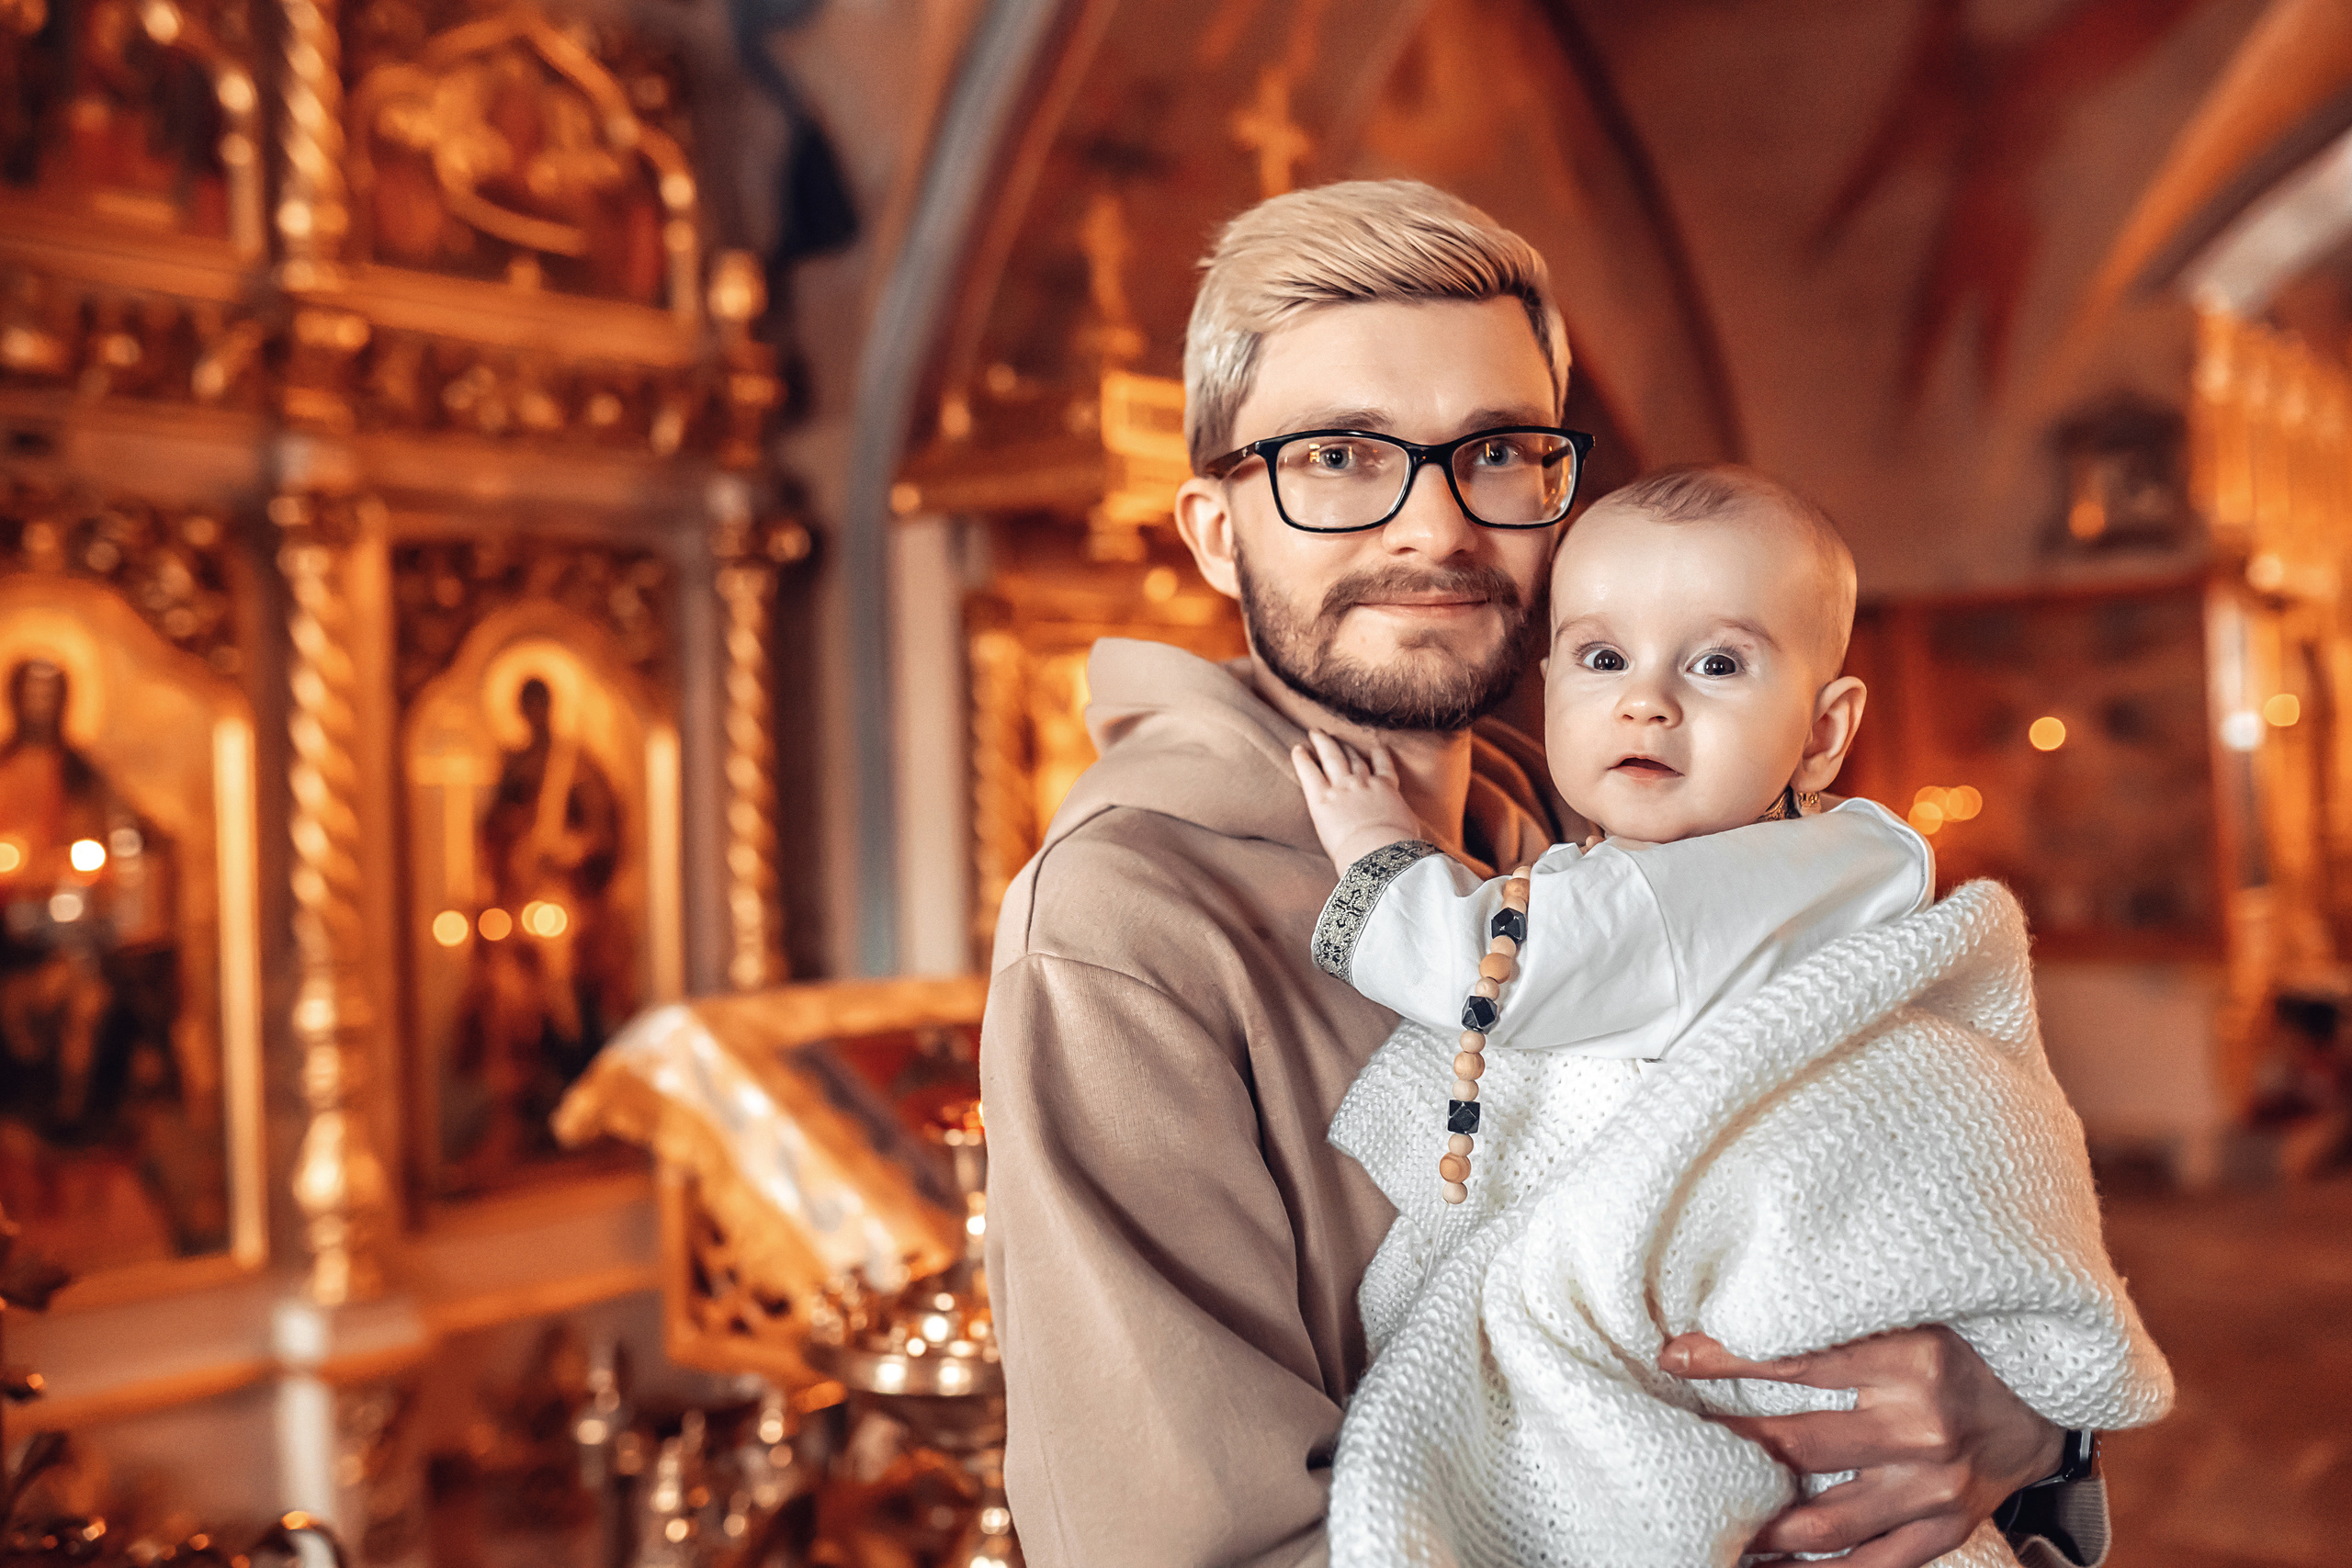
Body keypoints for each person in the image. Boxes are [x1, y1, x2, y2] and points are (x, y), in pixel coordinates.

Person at [979, 179, 2104, 1568]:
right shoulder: (1120, 925)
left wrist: (2024, 1419)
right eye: (1337, 456)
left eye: (1497, 451)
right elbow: (1188, 1547)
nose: (1434, 530)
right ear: (1218, 529)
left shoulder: (1595, 846)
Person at [1289, 468, 2170, 1566]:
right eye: (1603, 658)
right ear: (1551, 678)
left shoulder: (1690, 887)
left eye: (1715, 664)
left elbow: (1491, 974)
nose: (1646, 702)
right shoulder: (1808, 863)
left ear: (1822, 729)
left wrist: (1380, 846)